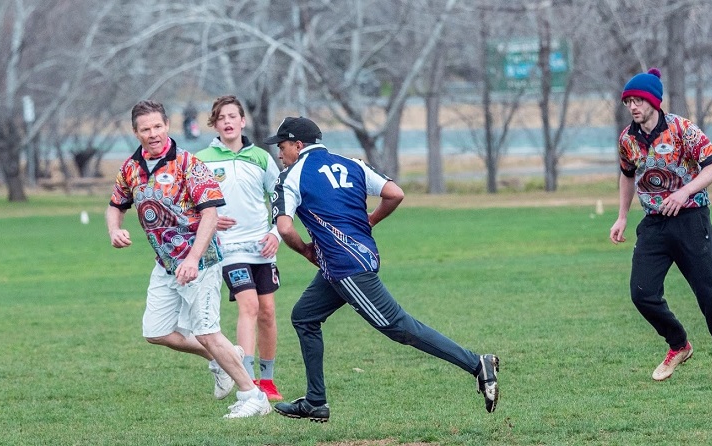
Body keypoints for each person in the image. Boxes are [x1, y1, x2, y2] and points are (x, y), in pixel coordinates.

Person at [264, 116, 500, 422]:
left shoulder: (291, 176)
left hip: (344, 267)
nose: (279, 154)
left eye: (281, 147)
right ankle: (315, 402)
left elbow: (284, 227)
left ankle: (477, 364)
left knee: (398, 327)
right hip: (357, 258)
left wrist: (306, 250)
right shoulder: (353, 164)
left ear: (298, 144)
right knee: (304, 316)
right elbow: (395, 193)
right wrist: (370, 221)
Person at [105, 99, 271, 418]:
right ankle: (223, 356)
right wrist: (115, 230)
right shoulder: (130, 169)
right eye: (145, 129)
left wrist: (193, 258)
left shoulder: (187, 164)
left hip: (201, 261)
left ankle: (253, 396)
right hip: (166, 265)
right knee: (156, 332)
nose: (152, 133)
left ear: (167, 125)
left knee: (207, 331)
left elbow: (210, 212)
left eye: (157, 126)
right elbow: (116, 204)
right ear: (135, 132)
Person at [609, 69, 712, 382]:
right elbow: (626, 175)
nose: (634, 106)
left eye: (639, 100)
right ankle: (678, 345)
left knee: (708, 293)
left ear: (653, 101)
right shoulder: (627, 139)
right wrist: (622, 215)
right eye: (629, 102)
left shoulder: (681, 128)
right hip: (653, 223)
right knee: (642, 293)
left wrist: (684, 191)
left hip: (691, 219)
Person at [194, 96, 284, 401]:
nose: (228, 122)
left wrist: (276, 233)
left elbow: (281, 198)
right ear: (215, 124)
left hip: (262, 246)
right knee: (249, 306)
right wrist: (208, 219)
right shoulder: (202, 159)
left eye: (233, 116)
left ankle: (267, 380)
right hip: (228, 248)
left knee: (268, 313)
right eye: (221, 118)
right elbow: (189, 203)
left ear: (243, 121)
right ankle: (247, 380)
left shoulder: (260, 157)